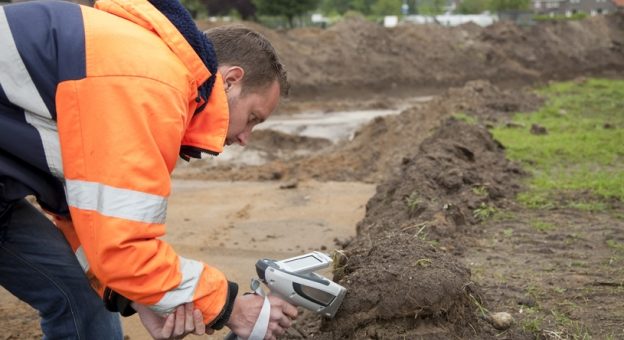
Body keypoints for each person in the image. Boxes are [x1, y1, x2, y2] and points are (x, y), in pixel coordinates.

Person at [0, 0, 297, 339]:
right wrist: (230, 307)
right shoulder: (149, 81)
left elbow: (86, 217)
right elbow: (123, 246)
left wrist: (133, 295)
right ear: (230, 81)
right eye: (253, 118)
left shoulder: (141, 66)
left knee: (82, 297)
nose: (246, 138)